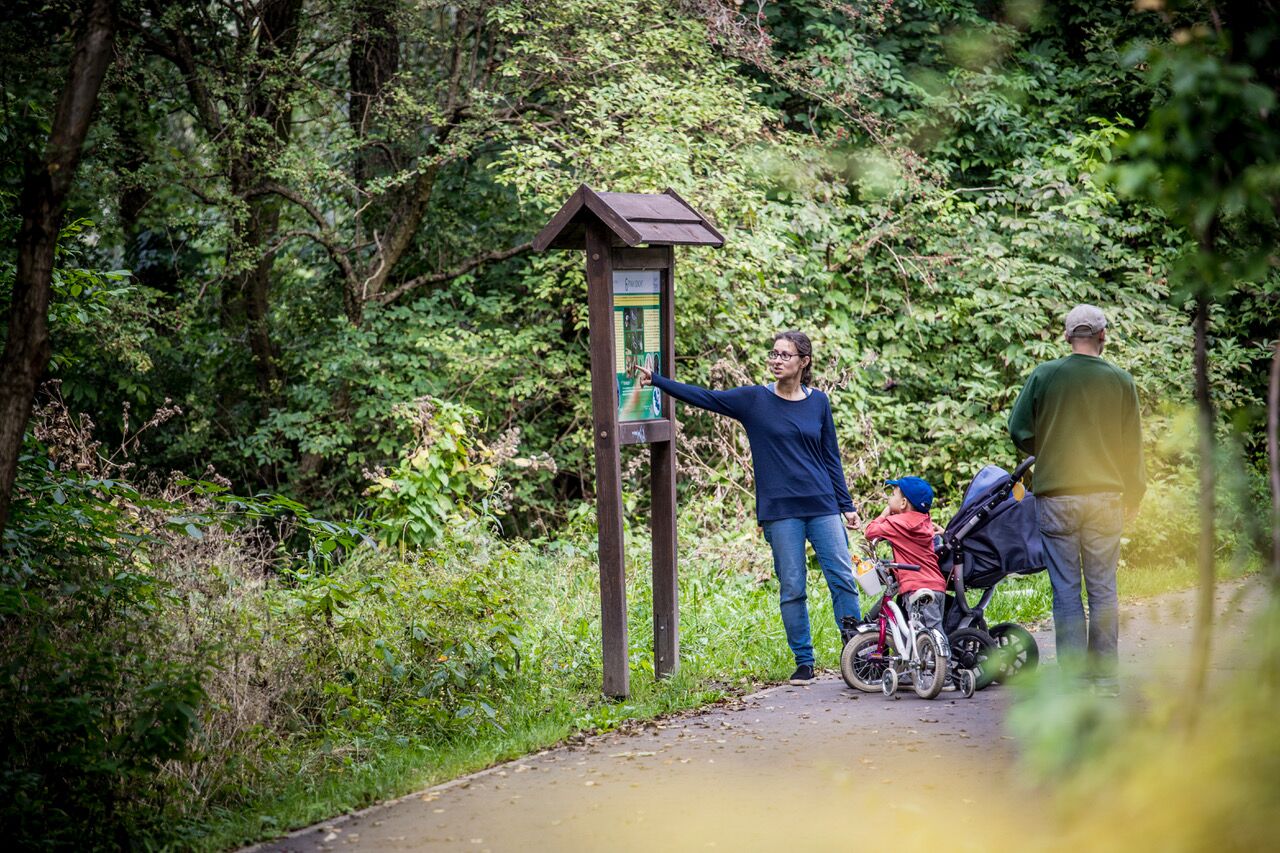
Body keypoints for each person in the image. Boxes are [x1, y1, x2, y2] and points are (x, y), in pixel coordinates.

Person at [636, 331, 860, 686]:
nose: (776, 360)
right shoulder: (754, 400)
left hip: (822, 505)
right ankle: (804, 661)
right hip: (780, 511)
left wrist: (846, 505)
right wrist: (658, 381)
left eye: (785, 355)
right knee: (792, 586)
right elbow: (705, 397)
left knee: (843, 580)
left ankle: (857, 653)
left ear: (804, 362)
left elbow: (830, 457)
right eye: (773, 353)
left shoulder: (819, 402)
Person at [1008, 304, 1145, 693]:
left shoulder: (1045, 375)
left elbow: (1018, 429)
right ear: (1103, 337)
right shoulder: (1121, 381)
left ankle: (1073, 681)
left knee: (1066, 589)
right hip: (1105, 498)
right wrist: (1134, 494)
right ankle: (1105, 679)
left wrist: (1047, 450)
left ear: (1067, 337)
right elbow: (1132, 446)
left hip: (1057, 498)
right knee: (1103, 587)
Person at [861, 476, 948, 637]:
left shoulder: (897, 522)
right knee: (933, 633)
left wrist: (884, 514)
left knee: (924, 636)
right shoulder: (925, 520)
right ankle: (940, 660)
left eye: (893, 495)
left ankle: (944, 663)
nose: (889, 498)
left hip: (915, 586)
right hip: (937, 586)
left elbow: (870, 531)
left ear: (903, 503)